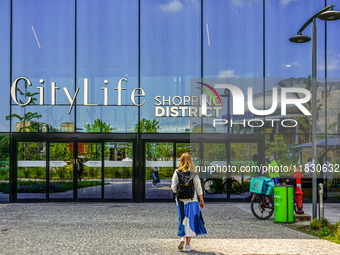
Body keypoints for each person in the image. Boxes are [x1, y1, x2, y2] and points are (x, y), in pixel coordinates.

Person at [171, 153, 207, 252]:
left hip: (180, 200)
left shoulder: (177, 172)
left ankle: (182, 237)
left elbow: (173, 188)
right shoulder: (193, 173)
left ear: (181, 161)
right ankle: (187, 246)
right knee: (190, 221)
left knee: (182, 219)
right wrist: (201, 200)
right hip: (192, 200)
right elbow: (199, 188)